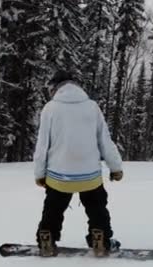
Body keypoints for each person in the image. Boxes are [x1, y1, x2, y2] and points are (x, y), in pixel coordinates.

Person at [33, 70, 124, 257]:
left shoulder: (50, 109)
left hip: (59, 175)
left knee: (53, 208)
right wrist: (115, 167)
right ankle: (100, 238)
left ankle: (47, 238)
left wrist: (39, 174)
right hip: (89, 175)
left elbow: (42, 146)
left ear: (56, 87)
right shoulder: (92, 107)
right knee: (97, 207)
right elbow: (104, 141)